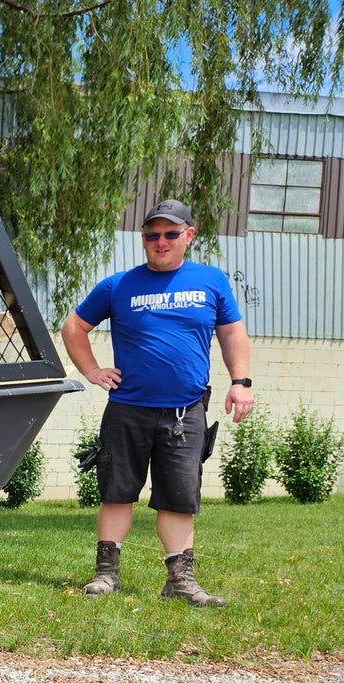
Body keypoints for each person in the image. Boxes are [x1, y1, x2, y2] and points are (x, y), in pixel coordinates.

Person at [61, 198, 253, 607]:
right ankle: (106, 575)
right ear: (143, 239)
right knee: (116, 493)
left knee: (179, 498)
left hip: (185, 412)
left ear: (188, 235)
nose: (160, 242)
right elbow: (74, 326)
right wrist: (92, 370)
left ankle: (180, 581)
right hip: (128, 409)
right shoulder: (118, 285)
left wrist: (241, 382)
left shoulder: (211, 281)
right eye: (152, 235)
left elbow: (232, 333)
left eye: (170, 233)